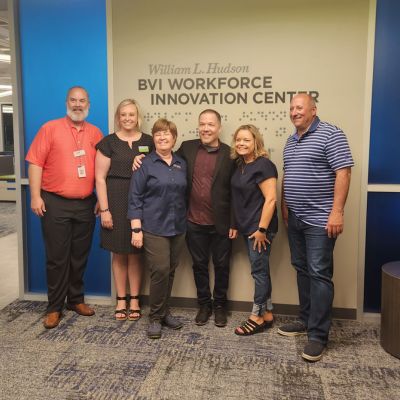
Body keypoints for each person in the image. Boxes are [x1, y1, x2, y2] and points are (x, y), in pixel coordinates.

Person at [134, 109, 237, 328]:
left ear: (219, 127)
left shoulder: (230, 153)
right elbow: (162, 153)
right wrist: (140, 157)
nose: (206, 128)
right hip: (192, 222)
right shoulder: (187, 148)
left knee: (221, 266)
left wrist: (234, 222)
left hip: (220, 223)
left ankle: (219, 306)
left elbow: (236, 189)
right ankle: (204, 306)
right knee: (198, 266)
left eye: (210, 124)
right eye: (202, 124)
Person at [278, 93, 354, 362]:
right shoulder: (291, 140)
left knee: (319, 273)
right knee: (302, 269)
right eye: (291, 108)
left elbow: (343, 172)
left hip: (321, 219)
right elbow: (288, 173)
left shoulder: (331, 134)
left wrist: (337, 212)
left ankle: (318, 336)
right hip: (295, 218)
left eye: (300, 107)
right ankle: (306, 320)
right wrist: (285, 205)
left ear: (313, 110)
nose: (294, 112)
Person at [26, 86, 103, 329]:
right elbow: (35, 163)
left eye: (82, 100)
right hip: (54, 203)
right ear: (67, 102)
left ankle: (76, 300)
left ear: (89, 104)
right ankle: (54, 307)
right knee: (58, 258)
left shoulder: (95, 133)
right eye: (73, 100)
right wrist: (35, 196)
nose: (78, 104)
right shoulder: (50, 128)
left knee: (79, 256)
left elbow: (103, 169)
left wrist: (102, 198)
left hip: (86, 204)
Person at [128, 118, 187, 339]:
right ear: (154, 139)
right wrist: (136, 228)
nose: (162, 137)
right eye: (158, 134)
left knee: (170, 270)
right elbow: (135, 197)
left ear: (174, 138)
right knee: (160, 270)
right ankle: (154, 317)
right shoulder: (144, 163)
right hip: (153, 226)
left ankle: (164, 313)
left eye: (167, 134)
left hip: (178, 226)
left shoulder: (182, 163)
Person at [95, 99, 153, 321]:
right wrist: (105, 210)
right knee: (119, 253)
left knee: (136, 253)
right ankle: (121, 300)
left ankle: (135, 299)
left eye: (132, 114)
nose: (127, 118)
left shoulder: (149, 141)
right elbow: (100, 179)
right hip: (115, 201)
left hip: (143, 203)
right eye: (123, 114)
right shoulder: (108, 142)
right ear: (118, 117)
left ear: (138, 117)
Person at [230, 125, 278, 336]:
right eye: (238, 139)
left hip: (259, 230)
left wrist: (262, 230)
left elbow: (271, 200)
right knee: (261, 270)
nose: (241, 143)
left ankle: (257, 316)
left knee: (258, 272)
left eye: (246, 140)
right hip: (247, 227)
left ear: (256, 142)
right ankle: (267, 313)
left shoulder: (264, 165)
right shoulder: (241, 165)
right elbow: (239, 199)